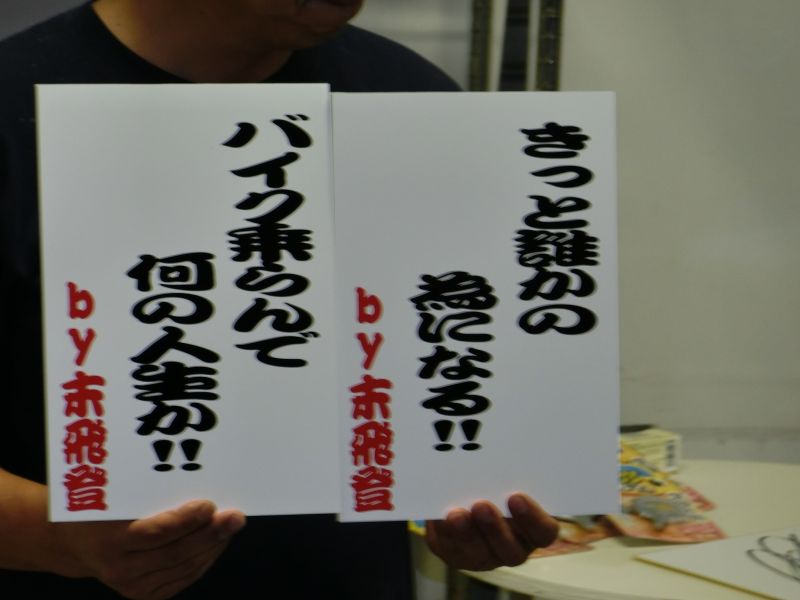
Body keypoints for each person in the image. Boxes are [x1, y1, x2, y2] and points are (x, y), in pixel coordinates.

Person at [0, 1, 559, 598]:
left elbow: (448, 374)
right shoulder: (19, 101)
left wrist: (470, 502)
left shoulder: (408, 98)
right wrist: (58, 538)